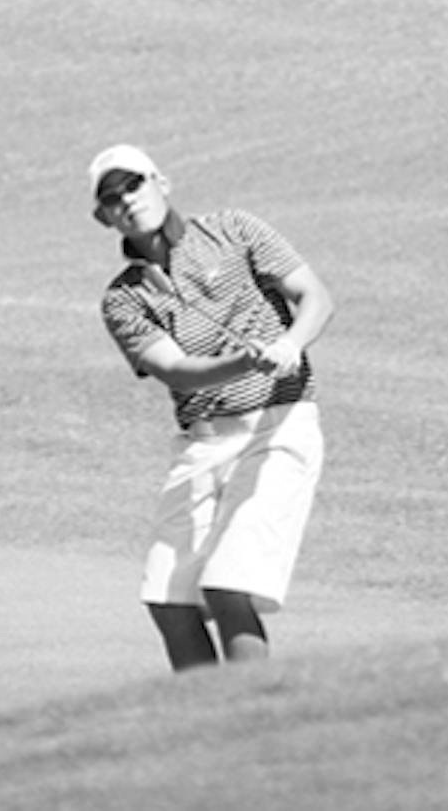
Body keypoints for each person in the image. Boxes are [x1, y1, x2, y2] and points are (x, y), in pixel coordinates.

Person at [90, 144, 336, 671]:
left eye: (134, 185)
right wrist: (242, 362)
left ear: (162, 182)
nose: (128, 202)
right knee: (167, 598)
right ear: (102, 217)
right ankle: (208, 720)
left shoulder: (235, 230)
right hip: (204, 442)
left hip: (279, 426)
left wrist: (290, 345)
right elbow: (176, 369)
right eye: (112, 199)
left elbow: (315, 296)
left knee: (227, 584)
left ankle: (254, 717)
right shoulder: (124, 299)